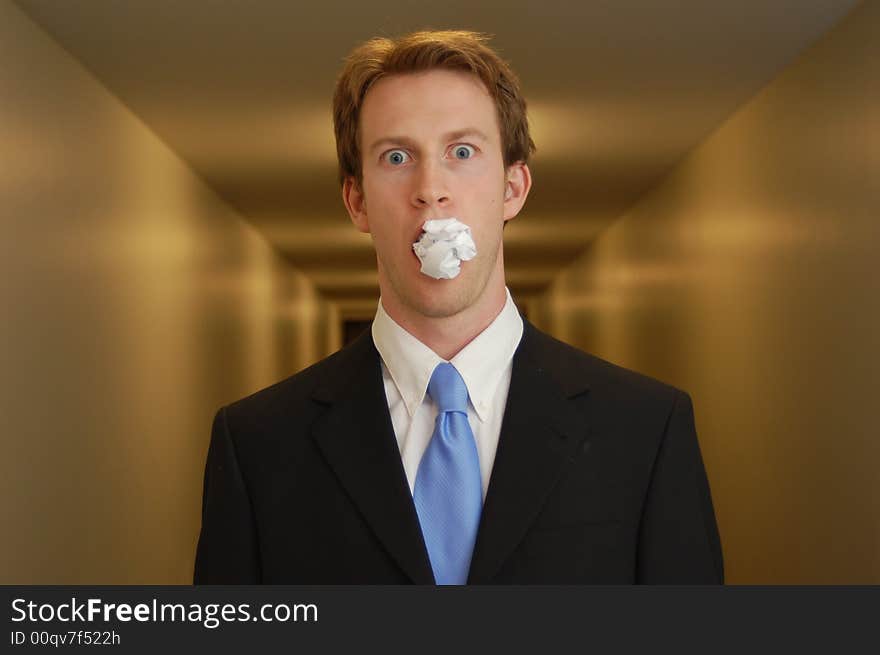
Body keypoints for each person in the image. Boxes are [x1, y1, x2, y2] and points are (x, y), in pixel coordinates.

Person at [193, 30, 723, 584]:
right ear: (357, 200)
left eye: (462, 152)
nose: (431, 189)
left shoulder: (644, 429)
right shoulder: (258, 444)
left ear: (513, 188)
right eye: (396, 157)